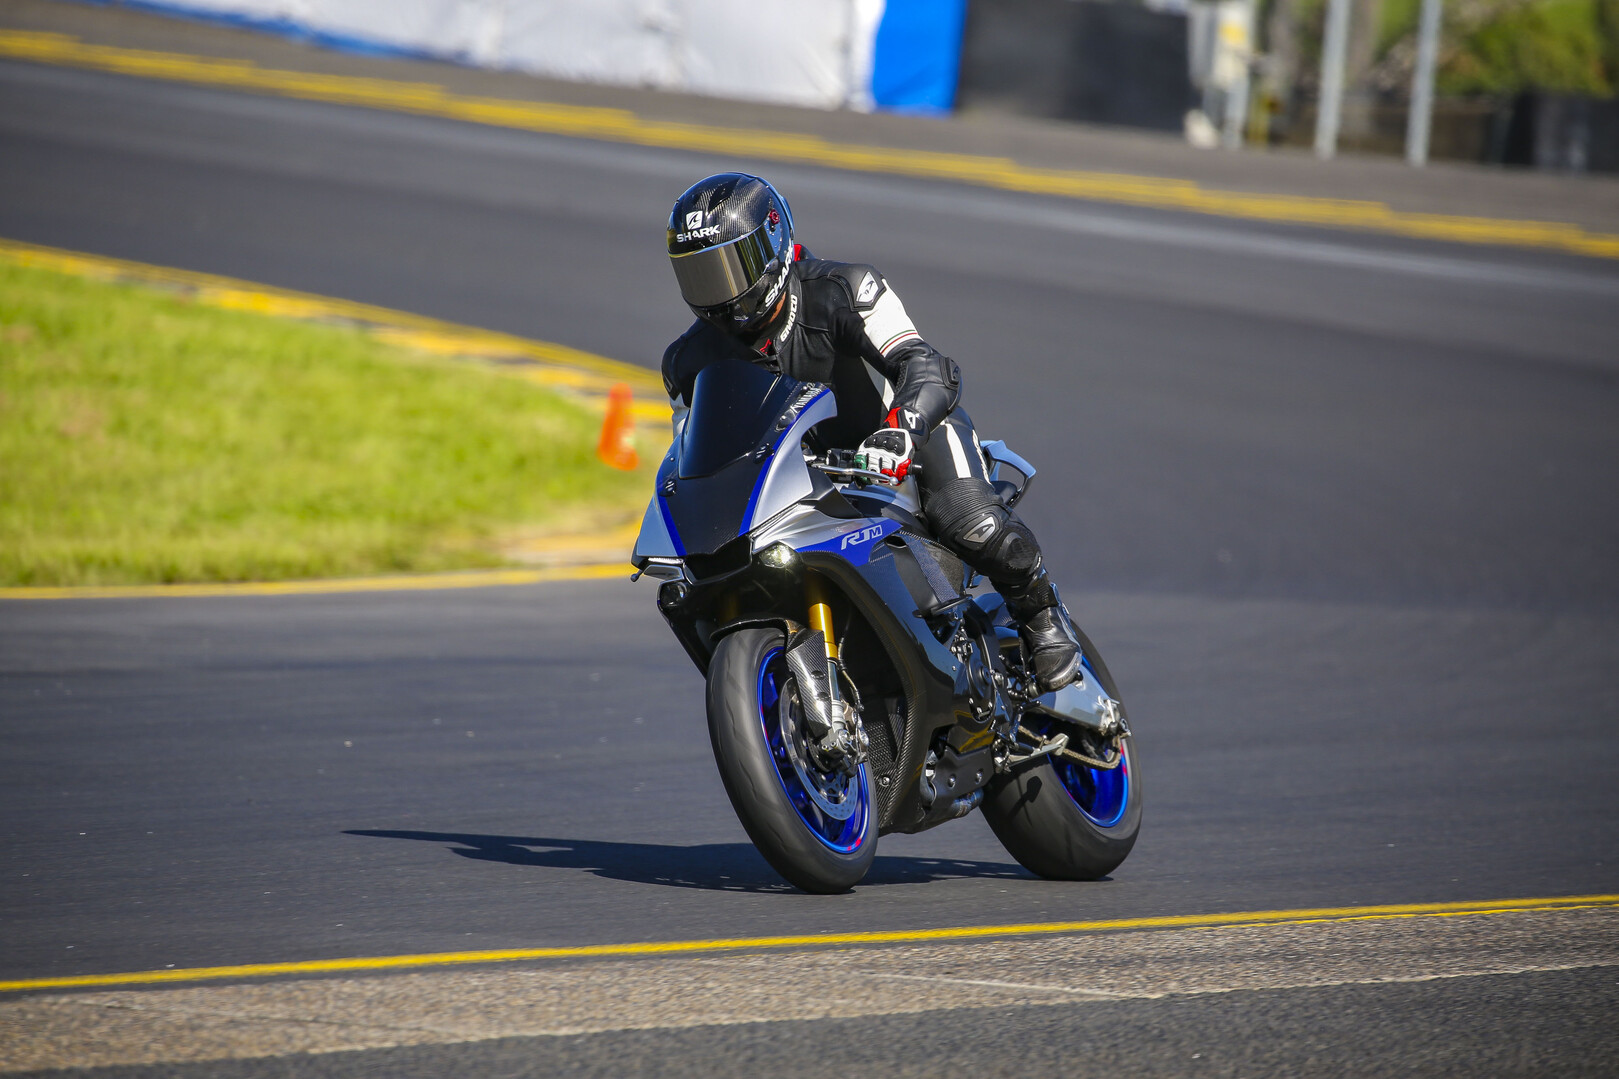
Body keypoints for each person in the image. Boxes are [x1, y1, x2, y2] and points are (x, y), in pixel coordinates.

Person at [661, 173, 1082, 692]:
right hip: (804, 482)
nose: (720, 294)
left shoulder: (844, 289)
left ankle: (1042, 615)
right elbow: (693, 452)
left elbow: (925, 364)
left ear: (772, 243)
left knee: (973, 523)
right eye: (701, 276)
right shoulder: (687, 361)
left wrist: (901, 430)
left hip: (909, 439)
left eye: (730, 268)